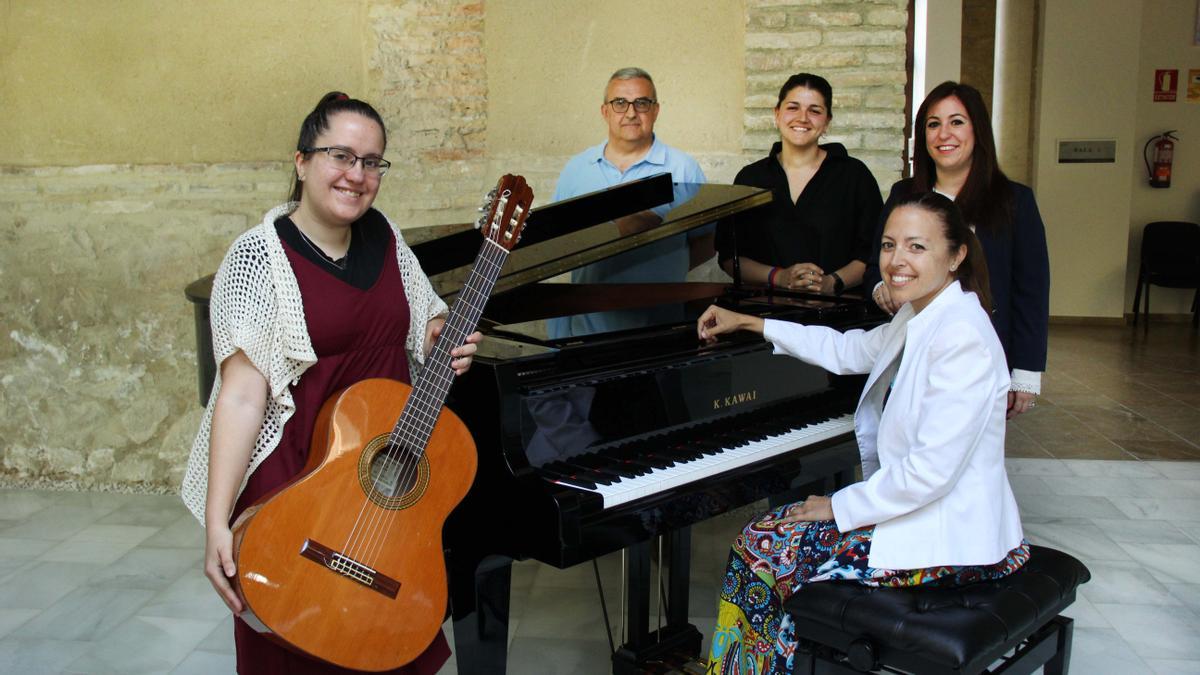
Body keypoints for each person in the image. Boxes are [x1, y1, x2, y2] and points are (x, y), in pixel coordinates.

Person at [179, 92, 481, 675]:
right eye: (341, 156)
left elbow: (421, 322)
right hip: (297, 484)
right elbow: (242, 396)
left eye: (372, 162)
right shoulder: (256, 259)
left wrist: (439, 335)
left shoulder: (386, 238)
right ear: (301, 162)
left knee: (388, 642)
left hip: (378, 481)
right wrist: (218, 523)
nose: (357, 175)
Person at [699, 192, 1028, 675]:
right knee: (765, 540)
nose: (896, 261)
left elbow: (929, 473)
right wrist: (753, 321)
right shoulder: (922, 314)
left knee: (760, 548)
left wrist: (838, 506)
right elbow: (848, 350)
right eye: (890, 245)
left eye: (917, 247)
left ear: (956, 255)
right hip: (921, 511)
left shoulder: (962, 338)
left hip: (955, 540)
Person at [865, 81, 1050, 419]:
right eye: (933, 124)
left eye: (957, 122)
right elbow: (873, 265)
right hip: (910, 350)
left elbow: (1031, 290)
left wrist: (1025, 374)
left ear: (977, 129)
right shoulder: (903, 194)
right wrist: (882, 289)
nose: (943, 134)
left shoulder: (1014, 200)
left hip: (980, 353)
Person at [549, 66, 709, 338]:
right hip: (584, 333)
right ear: (605, 111)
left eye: (642, 103)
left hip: (660, 331)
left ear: (656, 110)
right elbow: (558, 243)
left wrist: (658, 275)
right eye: (620, 103)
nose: (631, 113)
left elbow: (705, 243)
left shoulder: (683, 169)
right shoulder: (576, 169)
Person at [715, 73, 881, 295]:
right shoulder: (750, 178)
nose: (802, 118)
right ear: (777, 114)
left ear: (827, 122)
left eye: (815, 110)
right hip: (765, 314)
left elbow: (876, 252)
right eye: (793, 107)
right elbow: (729, 257)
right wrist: (780, 277)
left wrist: (832, 282)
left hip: (839, 315)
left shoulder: (854, 176)